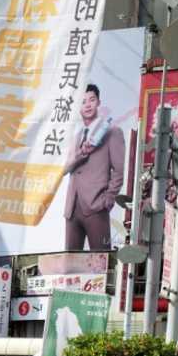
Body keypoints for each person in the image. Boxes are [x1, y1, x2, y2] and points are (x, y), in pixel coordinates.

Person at [64, 84, 125, 251]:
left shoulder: (112, 132)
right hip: (72, 208)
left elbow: (119, 171)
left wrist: (107, 200)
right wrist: (79, 155)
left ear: (99, 102)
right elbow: (65, 168)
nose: (88, 105)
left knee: (100, 264)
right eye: (83, 102)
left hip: (97, 206)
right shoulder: (75, 135)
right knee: (70, 265)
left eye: (92, 100)